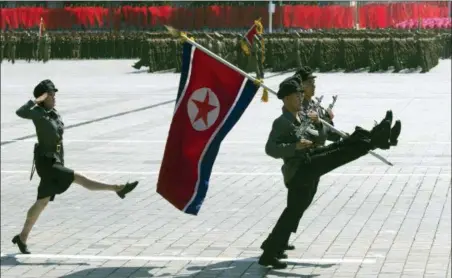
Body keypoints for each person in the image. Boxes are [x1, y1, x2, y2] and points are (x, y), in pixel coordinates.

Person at [258, 76, 401, 269]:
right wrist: (294, 146)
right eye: (297, 95)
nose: (301, 97)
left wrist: (318, 123)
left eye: (301, 94)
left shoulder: (300, 117)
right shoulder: (282, 122)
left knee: (295, 209)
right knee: (339, 156)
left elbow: (320, 139)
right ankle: (376, 140)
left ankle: (374, 136)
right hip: (299, 170)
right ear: (286, 99)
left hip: (308, 163)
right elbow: (270, 148)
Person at [12, 79, 139, 255]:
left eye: (54, 94)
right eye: (51, 95)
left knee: (42, 201)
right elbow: (20, 112)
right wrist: (36, 100)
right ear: (42, 97)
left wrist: (61, 161)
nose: (54, 97)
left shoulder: (54, 113)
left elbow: (59, 141)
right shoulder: (37, 112)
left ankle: (22, 237)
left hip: (55, 161)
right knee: (77, 178)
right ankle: (117, 188)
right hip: (46, 163)